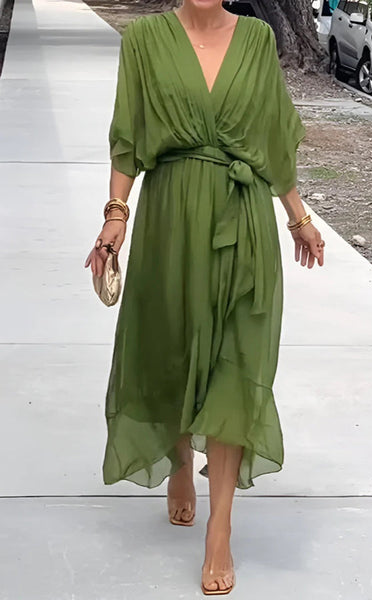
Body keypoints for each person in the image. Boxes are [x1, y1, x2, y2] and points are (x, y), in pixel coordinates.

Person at [84, 0, 325, 594]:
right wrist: (116, 215)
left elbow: (273, 137)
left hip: (244, 225)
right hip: (171, 220)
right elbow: (127, 136)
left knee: (234, 367)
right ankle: (178, 461)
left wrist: (297, 216)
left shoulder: (258, 40)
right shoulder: (144, 41)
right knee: (172, 350)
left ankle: (220, 530)